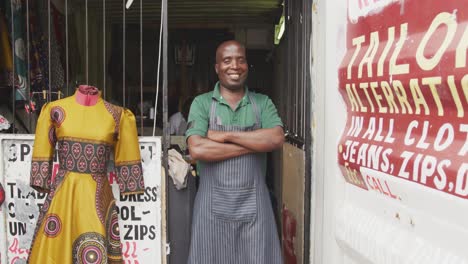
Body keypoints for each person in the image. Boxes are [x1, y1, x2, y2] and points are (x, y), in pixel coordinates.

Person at [186, 40, 285, 264]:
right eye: (227, 60)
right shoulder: (202, 104)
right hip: (211, 212)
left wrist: (226, 136)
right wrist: (251, 144)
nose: (235, 66)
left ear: (247, 65)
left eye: (241, 60)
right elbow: (198, 148)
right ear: (217, 67)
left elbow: (276, 138)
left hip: (255, 211)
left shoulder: (262, 103)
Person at [28, 85, 145, 263]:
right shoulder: (54, 110)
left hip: (97, 194)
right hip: (64, 194)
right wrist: (40, 177)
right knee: (58, 248)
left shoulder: (117, 114)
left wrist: (131, 182)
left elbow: (127, 152)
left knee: (93, 249)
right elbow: (43, 148)